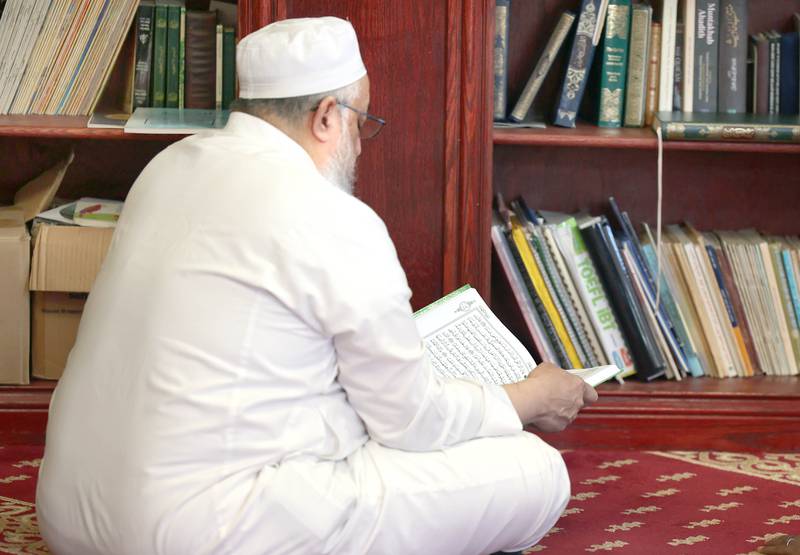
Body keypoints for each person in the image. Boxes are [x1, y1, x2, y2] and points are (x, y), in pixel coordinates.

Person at [35, 16, 597, 555]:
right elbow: (411, 422)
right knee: (535, 471)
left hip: (69, 518)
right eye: (361, 121)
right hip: (204, 530)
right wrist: (529, 398)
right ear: (328, 116)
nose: (360, 143)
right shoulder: (332, 215)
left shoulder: (165, 167)